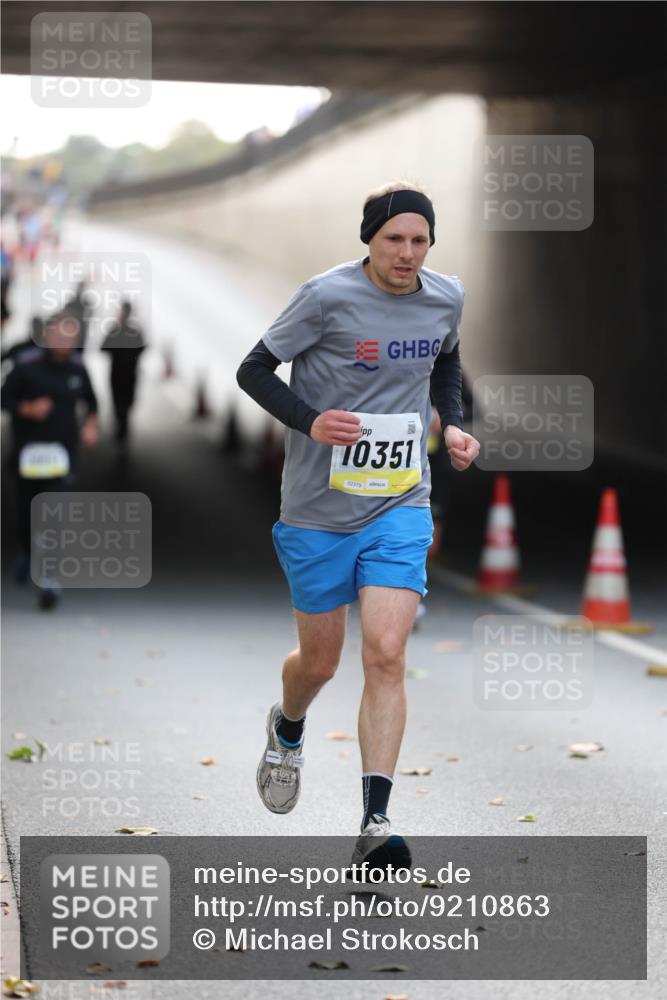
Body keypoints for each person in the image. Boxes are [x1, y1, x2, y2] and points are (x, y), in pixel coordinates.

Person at [236, 180, 480, 872]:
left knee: (386, 652)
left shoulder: (444, 297)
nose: (406, 254)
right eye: (393, 240)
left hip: (400, 500)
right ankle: (287, 728)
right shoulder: (325, 297)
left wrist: (453, 423)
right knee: (320, 662)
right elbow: (253, 369)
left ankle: (375, 820)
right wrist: (309, 420)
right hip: (316, 509)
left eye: (418, 241)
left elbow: (447, 361)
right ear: (368, 239)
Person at [1, 314, 98, 608]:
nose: (64, 343)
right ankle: (26, 551)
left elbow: (92, 403)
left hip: (62, 456)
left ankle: (49, 580)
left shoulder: (78, 368)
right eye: (59, 336)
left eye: (71, 338)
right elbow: (4, 398)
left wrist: (91, 426)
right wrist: (28, 408)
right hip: (28, 453)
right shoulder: (26, 365)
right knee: (28, 514)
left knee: (54, 518)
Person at [100, 301, 146, 443]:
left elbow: (103, 348)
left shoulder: (115, 330)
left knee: (119, 402)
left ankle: (121, 429)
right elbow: (143, 348)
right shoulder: (135, 330)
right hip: (130, 373)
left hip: (118, 373)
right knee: (125, 402)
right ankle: (122, 429)